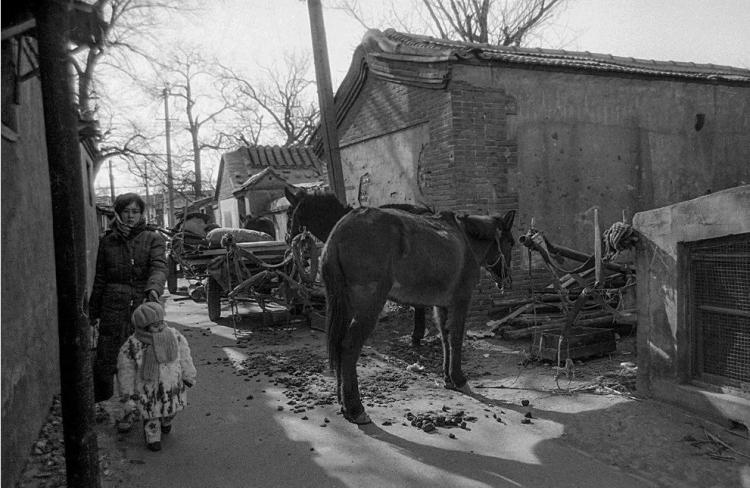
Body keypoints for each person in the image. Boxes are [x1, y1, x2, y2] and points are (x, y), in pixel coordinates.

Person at [89, 193, 167, 417]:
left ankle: (146, 405)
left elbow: (159, 267)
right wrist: (93, 313)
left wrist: (153, 289)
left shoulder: (153, 239)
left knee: (143, 358)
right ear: (118, 213)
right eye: (126, 211)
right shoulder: (108, 241)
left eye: (135, 211)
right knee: (108, 359)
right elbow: (101, 278)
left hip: (142, 306)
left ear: (141, 213)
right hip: (112, 306)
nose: (131, 216)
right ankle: (114, 405)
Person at [117, 302, 196, 451]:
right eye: (154, 326)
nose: (160, 327)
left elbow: (184, 355)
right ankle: (153, 437)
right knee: (151, 413)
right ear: (143, 328)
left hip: (172, 385)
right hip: (147, 389)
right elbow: (126, 369)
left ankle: (166, 421)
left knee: (172, 410)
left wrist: (188, 374)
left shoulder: (174, 336)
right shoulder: (133, 345)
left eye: (161, 323)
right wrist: (127, 392)